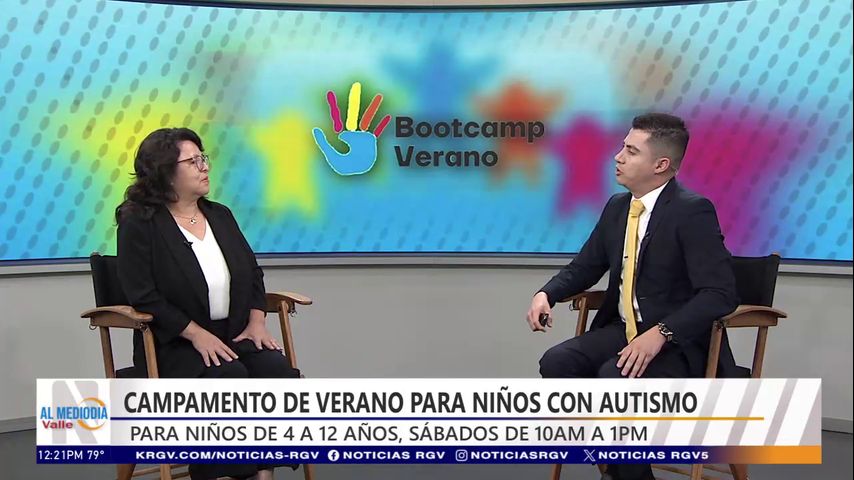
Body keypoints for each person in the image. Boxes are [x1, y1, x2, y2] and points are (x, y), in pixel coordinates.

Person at [526, 113, 739, 480]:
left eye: (631, 151)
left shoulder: (692, 211)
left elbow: (720, 293)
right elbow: (585, 266)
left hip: (679, 344)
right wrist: (547, 293)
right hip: (622, 330)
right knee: (558, 362)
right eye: (622, 147)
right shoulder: (617, 207)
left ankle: (621, 470)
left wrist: (662, 333)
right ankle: (619, 464)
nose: (618, 157)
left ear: (661, 165)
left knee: (614, 378)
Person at [116, 127, 299, 480]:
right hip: (174, 343)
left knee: (274, 369)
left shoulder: (220, 215)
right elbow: (142, 294)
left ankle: (263, 472)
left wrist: (257, 322)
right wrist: (196, 334)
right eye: (193, 161)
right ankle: (224, 473)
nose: (205, 167)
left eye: (204, 158)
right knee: (228, 377)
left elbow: (252, 273)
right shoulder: (139, 222)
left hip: (232, 334)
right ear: (165, 171)